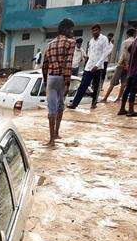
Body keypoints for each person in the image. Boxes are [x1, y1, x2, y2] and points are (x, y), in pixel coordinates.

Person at [41, 19, 76, 147]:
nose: (72, 32)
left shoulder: (49, 45)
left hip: (51, 78)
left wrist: (45, 82)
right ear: (66, 30)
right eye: (71, 30)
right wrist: (67, 83)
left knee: (52, 109)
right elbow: (68, 64)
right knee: (61, 105)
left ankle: (51, 140)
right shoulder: (70, 43)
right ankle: (56, 133)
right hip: (62, 77)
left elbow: (44, 66)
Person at [68, 24, 110, 109]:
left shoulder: (104, 39)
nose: (94, 32)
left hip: (98, 68)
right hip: (88, 67)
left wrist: (97, 65)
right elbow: (89, 53)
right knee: (83, 85)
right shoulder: (91, 41)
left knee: (96, 86)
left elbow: (105, 54)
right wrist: (87, 65)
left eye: (96, 30)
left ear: (99, 30)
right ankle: (74, 104)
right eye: (93, 30)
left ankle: (94, 103)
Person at [100, 28, 135, 103]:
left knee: (112, 82)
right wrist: (128, 65)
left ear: (127, 34)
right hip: (129, 65)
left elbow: (124, 54)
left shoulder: (125, 42)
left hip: (122, 64)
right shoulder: (135, 42)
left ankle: (105, 98)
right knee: (124, 83)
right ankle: (118, 98)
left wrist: (125, 64)